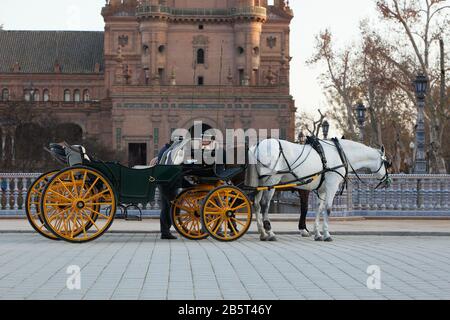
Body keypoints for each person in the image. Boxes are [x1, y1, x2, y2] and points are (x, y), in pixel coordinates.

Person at [157, 141, 178, 240]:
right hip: (168, 183)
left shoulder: (165, 149)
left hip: (164, 182)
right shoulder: (170, 151)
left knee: (166, 207)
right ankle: (165, 232)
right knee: (169, 207)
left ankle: (165, 231)